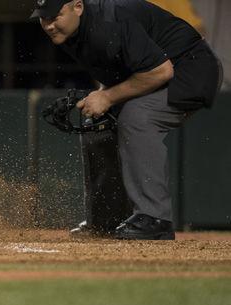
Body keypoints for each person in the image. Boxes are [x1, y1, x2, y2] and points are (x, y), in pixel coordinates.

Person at [32, 0, 223, 240]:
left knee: (136, 116)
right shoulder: (70, 31)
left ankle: (154, 218)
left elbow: (160, 71)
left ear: (77, 7)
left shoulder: (108, 23)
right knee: (98, 123)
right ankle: (105, 220)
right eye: (43, 17)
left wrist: (108, 96)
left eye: (55, 16)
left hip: (191, 69)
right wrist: (102, 98)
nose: (49, 25)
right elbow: (118, 66)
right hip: (159, 71)